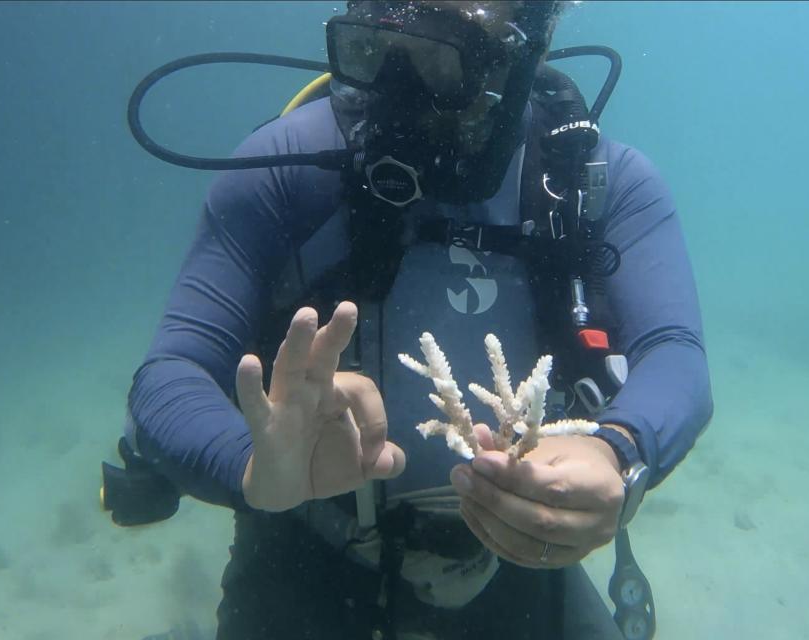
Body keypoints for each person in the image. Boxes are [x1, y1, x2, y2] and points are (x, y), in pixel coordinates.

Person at [125, 1, 714, 639]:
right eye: (374, 50)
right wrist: (249, 464)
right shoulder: (286, 166)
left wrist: (616, 453)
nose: (398, 93)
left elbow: (675, 353)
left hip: (518, 554)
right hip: (303, 553)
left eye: (443, 59)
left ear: (529, 49)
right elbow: (170, 372)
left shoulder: (597, 183)